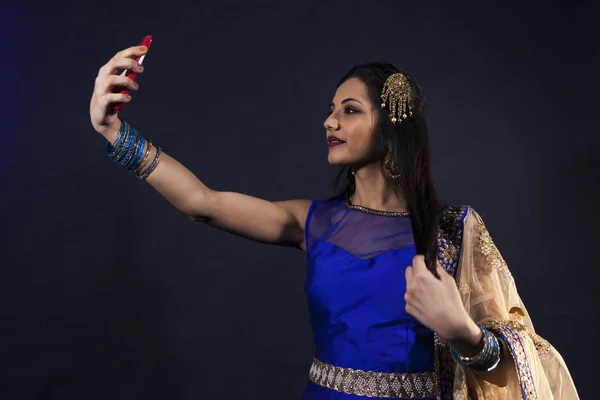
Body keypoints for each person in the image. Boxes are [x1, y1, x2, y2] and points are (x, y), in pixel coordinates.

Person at [89, 45, 579, 399]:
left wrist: (463, 334)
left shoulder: (452, 231)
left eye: (349, 111)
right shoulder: (314, 221)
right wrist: (114, 132)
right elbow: (203, 202)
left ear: (391, 126)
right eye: (330, 111)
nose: (330, 122)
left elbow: (522, 350)